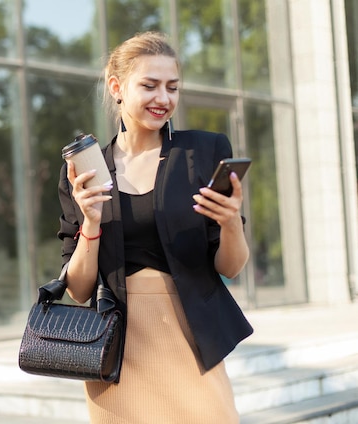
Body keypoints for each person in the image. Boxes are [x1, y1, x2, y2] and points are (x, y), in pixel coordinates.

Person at [57, 31, 253, 423]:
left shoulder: (204, 151)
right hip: (115, 354)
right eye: (149, 85)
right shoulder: (84, 172)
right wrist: (91, 223)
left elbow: (231, 267)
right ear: (117, 87)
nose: (163, 98)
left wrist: (231, 221)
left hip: (192, 341)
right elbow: (78, 289)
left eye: (172, 87)